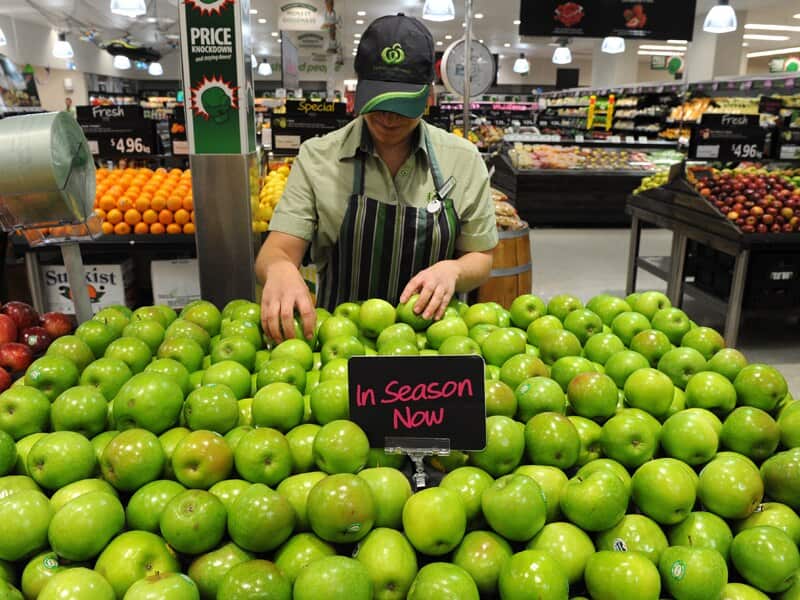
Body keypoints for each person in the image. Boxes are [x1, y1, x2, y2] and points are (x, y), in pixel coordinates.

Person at [256, 14, 498, 343]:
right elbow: (277, 250)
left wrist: (453, 271)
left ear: (429, 95)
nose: (387, 116)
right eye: (378, 100)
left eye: (401, 103)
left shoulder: (463, 160)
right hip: (340, 346)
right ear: (359, 89)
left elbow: (481, 255)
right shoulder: (318, 158)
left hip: (431, 344)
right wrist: (280, 269)